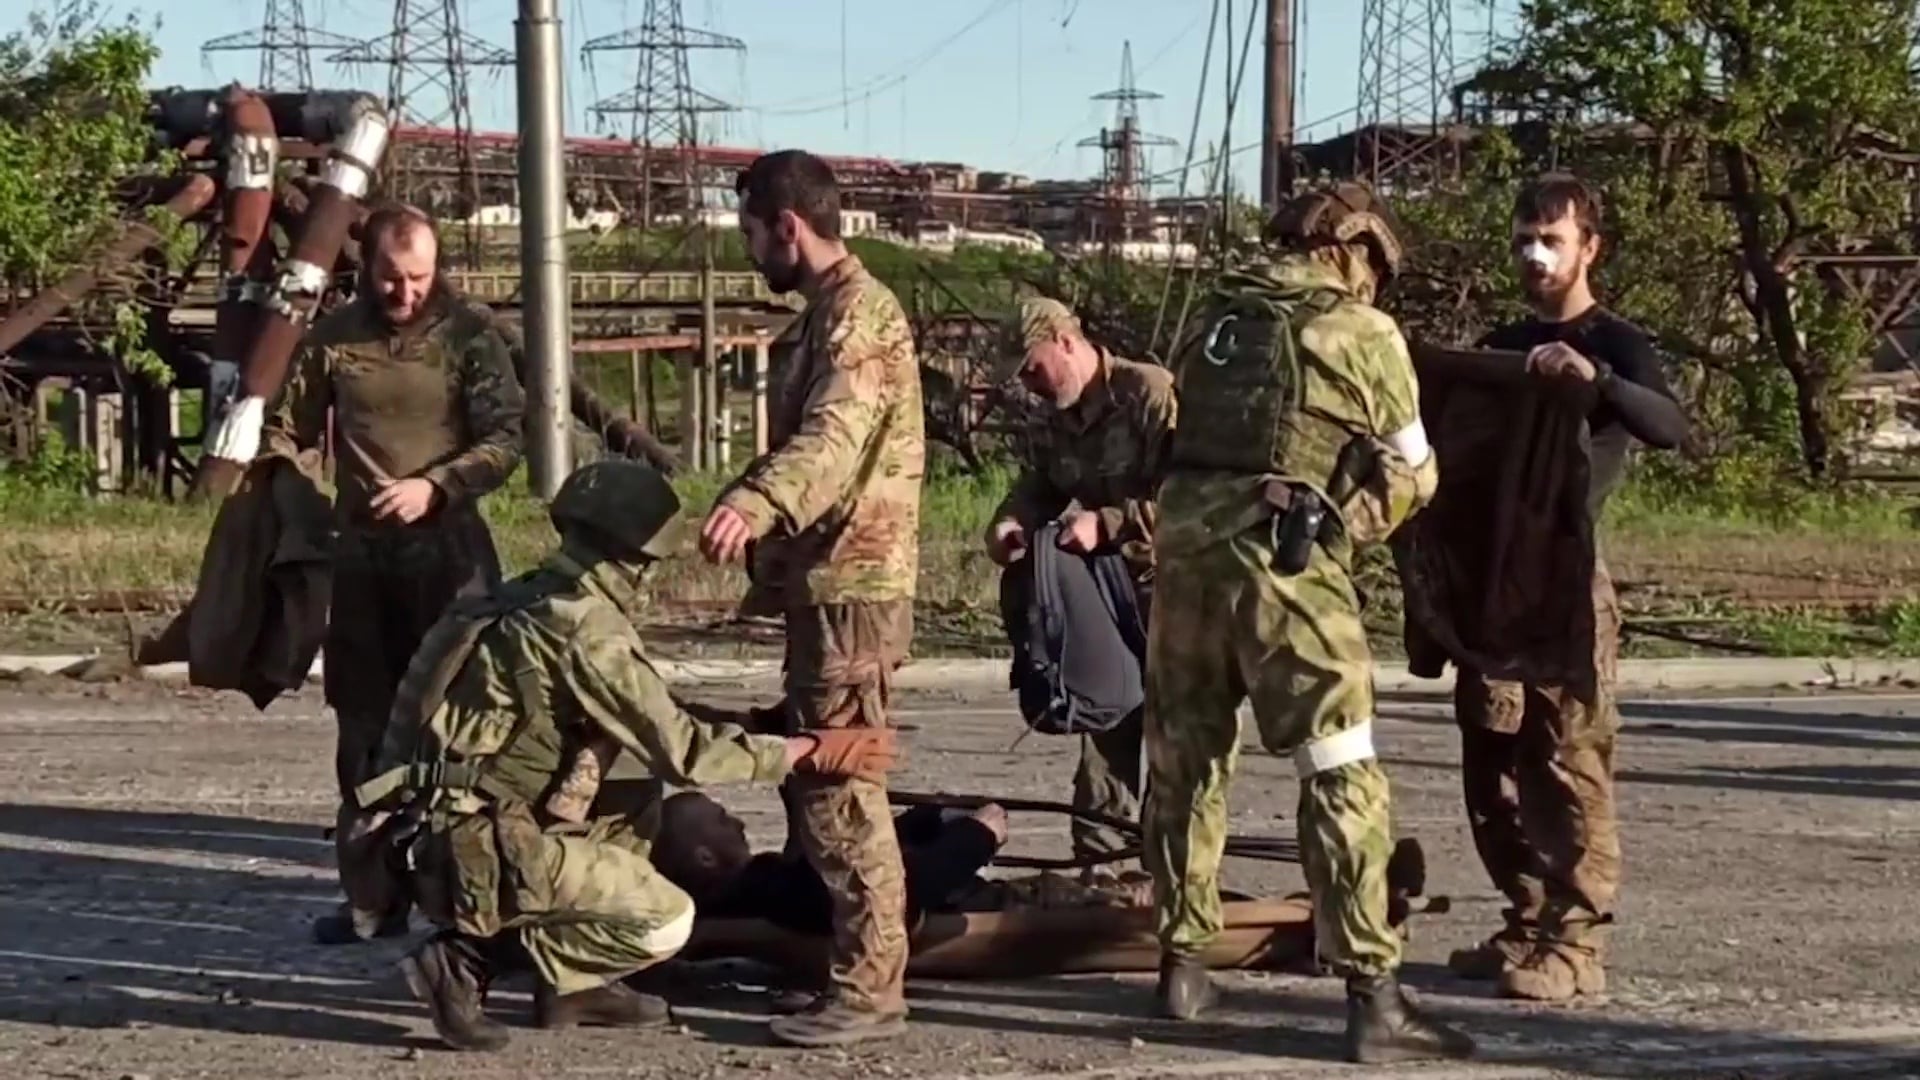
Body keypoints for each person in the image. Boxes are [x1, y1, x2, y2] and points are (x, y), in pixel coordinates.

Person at [345, 459, 899, 1053]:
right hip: (476, 854)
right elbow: (684, 752)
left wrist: (742, 729)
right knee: (666, 920)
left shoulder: (517, 598)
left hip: (428, 836)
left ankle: (577, 989)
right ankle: (467, 958)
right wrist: (807, 751)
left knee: (632, 789)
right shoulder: (586, 630)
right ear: (637, 555)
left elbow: (642, 717)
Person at [1143, 182, 1475, 1064]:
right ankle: (1374, 995)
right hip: (1283, 568)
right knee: (1338, 765)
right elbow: (1415, 472)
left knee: (1185, 758)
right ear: (1350, 252)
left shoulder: (1210, 321)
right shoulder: (1359, 332)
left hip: (1183, 565)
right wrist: (1346, 526)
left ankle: (1182, 964)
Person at [696, 149, 925, 1048]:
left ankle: (871, 990)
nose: (752, 252)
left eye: (751, 233)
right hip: (828, 582)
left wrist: (756, 503)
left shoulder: (859, 318)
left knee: (840, 782)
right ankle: (847, 969)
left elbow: (832, 439)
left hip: (854, 587)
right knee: (818, 781)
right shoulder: (831, 314)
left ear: (787, 225)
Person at [1442, 172, 1686, 1001]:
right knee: (1491, 758)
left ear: (1590, 247)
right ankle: (1527, 915)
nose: (1535, 254)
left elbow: (1671, 426)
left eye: (1552, 238)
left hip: (1568, 580)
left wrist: (1599, 384)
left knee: (1569, 758)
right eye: (1522, 239)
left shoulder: (1614, 341)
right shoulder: (1503, 340)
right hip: (1495, 577)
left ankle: (1578, 943)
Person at [260, 204, 527, 948]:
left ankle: (467, 907)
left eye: (419, 277)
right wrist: (296, 501)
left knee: (461, 731)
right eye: (391, 278)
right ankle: (372, 901)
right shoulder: (335, 340)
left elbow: (507, 438)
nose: (406, 293)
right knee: (364, 732)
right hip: (364, 566)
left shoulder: (469, 337)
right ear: (365, 268)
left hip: (451, 560)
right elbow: (288, 429)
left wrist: (437, 486)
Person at [983, 296, 1175, 871]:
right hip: (1105, 600)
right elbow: (1040, 484)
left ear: (1065, 343)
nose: (1029, 383)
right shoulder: (1056, 418)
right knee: (1105, 731)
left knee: (1176, 747)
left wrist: (1109, 523)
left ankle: (1174, 881)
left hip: (1174, 596)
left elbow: (1195, 499)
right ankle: (1101, 873)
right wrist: (1011, 522)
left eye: (1032, 367)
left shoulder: (1148, 393)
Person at [653, 791, 1008, 937]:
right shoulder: (772, 891)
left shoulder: (756, 891)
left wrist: (926, 820)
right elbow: (890, 890)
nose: (739, 824)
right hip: (978, 913)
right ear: (705, 858)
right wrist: (978, 835)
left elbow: (857, 861)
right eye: (722, 821)